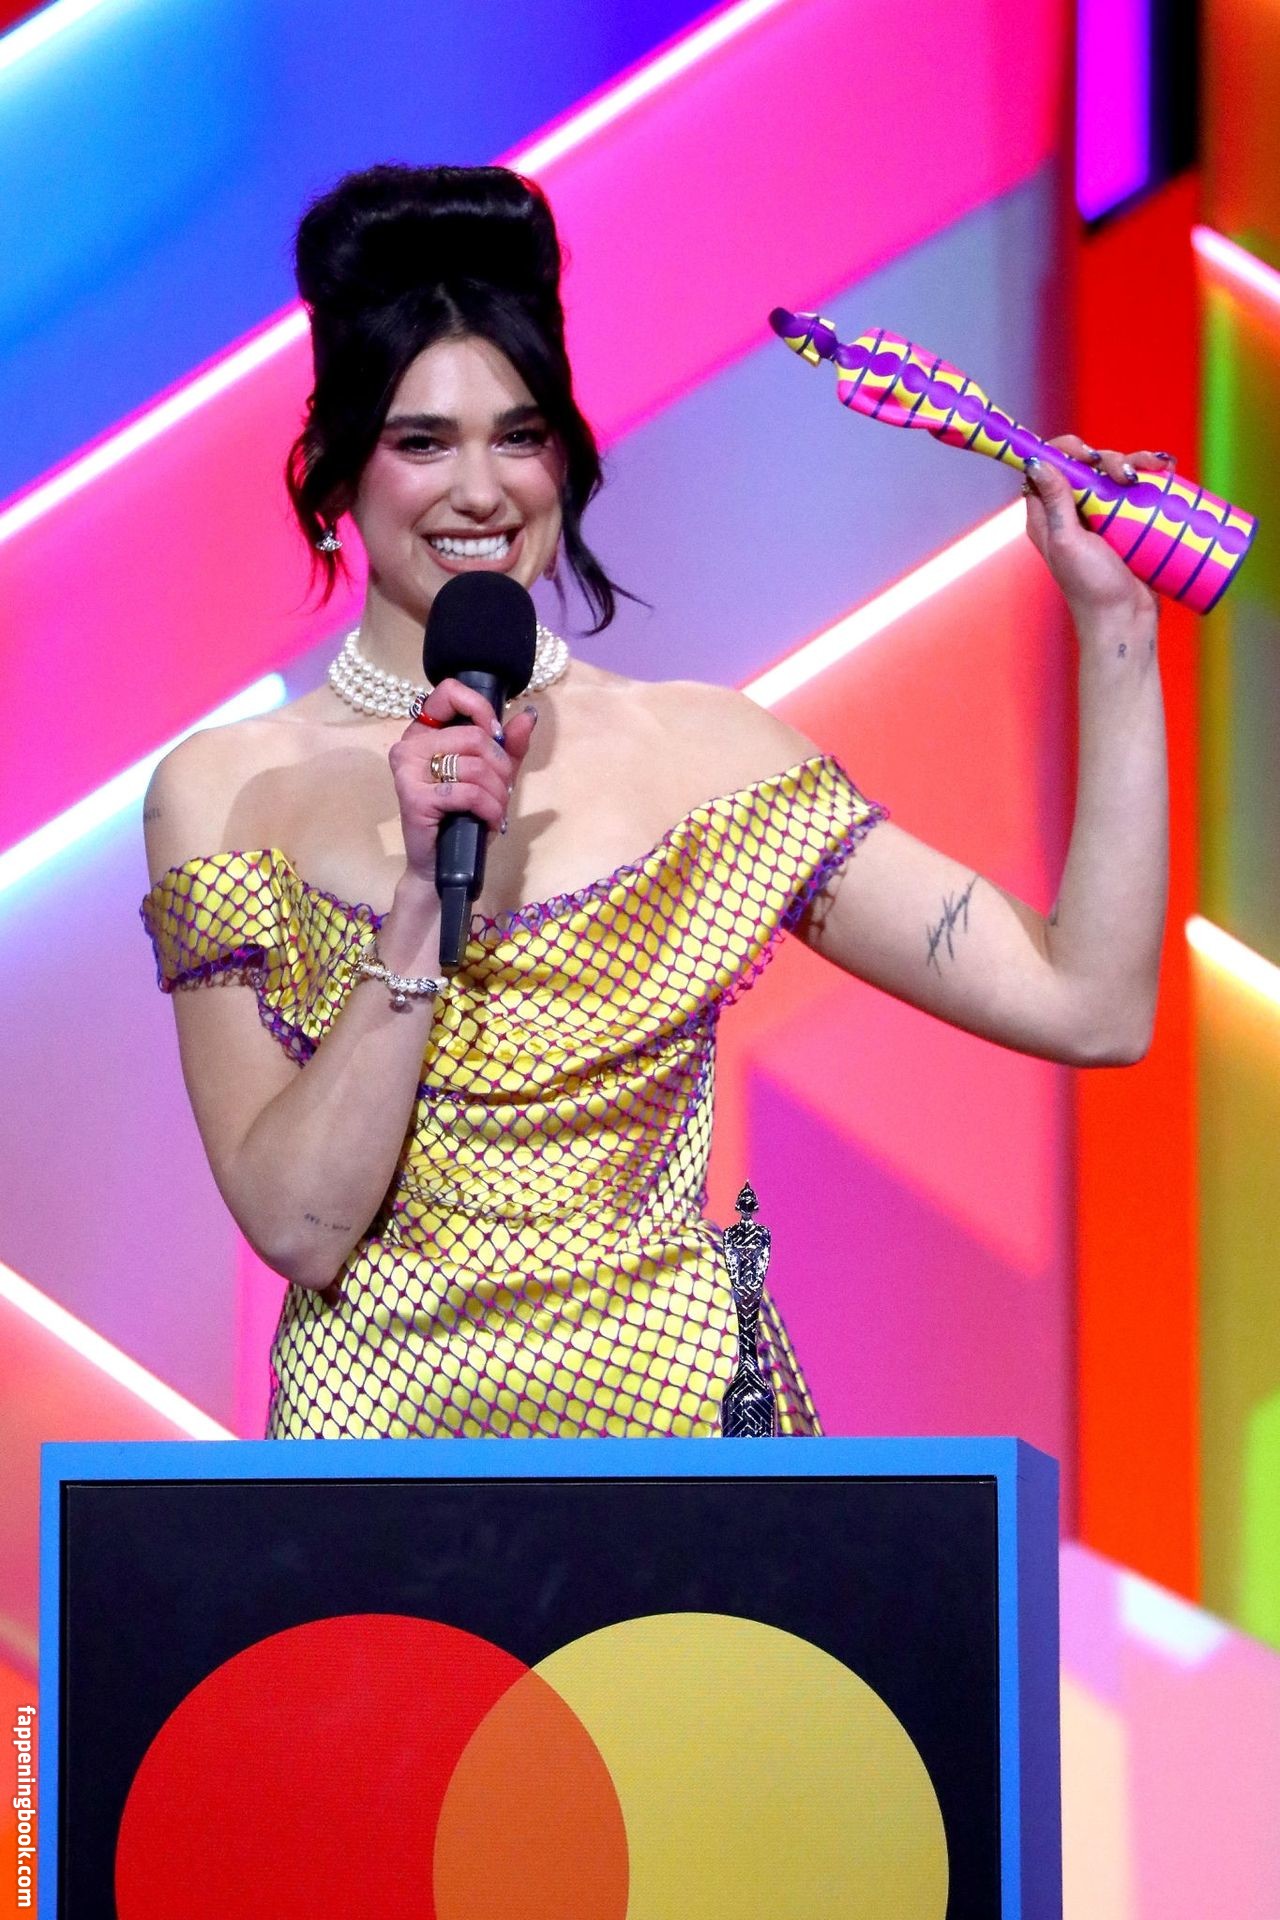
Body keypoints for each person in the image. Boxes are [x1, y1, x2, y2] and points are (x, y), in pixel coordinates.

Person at [141, 164, 1169, 1441]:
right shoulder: (228, 791)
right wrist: (419, 901)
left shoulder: (704, 756)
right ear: (337, 470)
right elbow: (300, 1227)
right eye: (422, 442)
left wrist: (1114, 631)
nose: (481, 490)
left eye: (520, 436)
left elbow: (1088, 1003)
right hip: (381, 1486)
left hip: (688, 1465)